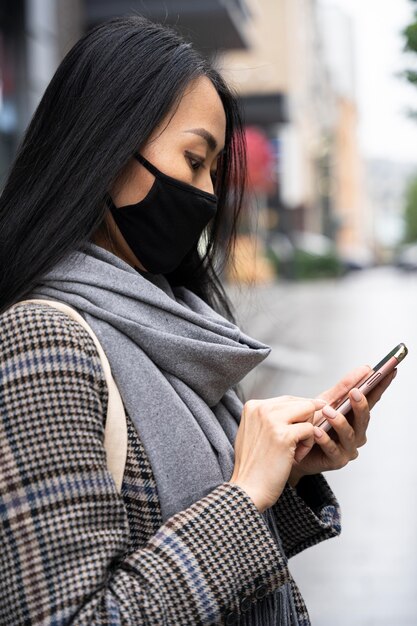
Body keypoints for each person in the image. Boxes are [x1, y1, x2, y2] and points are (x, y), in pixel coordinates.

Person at [0, 16, 395, 626]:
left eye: (214, 170)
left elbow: (192, 553)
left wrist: (282, 476)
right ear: (106, 149)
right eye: (193, 159)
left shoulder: (171, 326)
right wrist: (243, 496)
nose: (207, 193)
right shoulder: (41, 341)